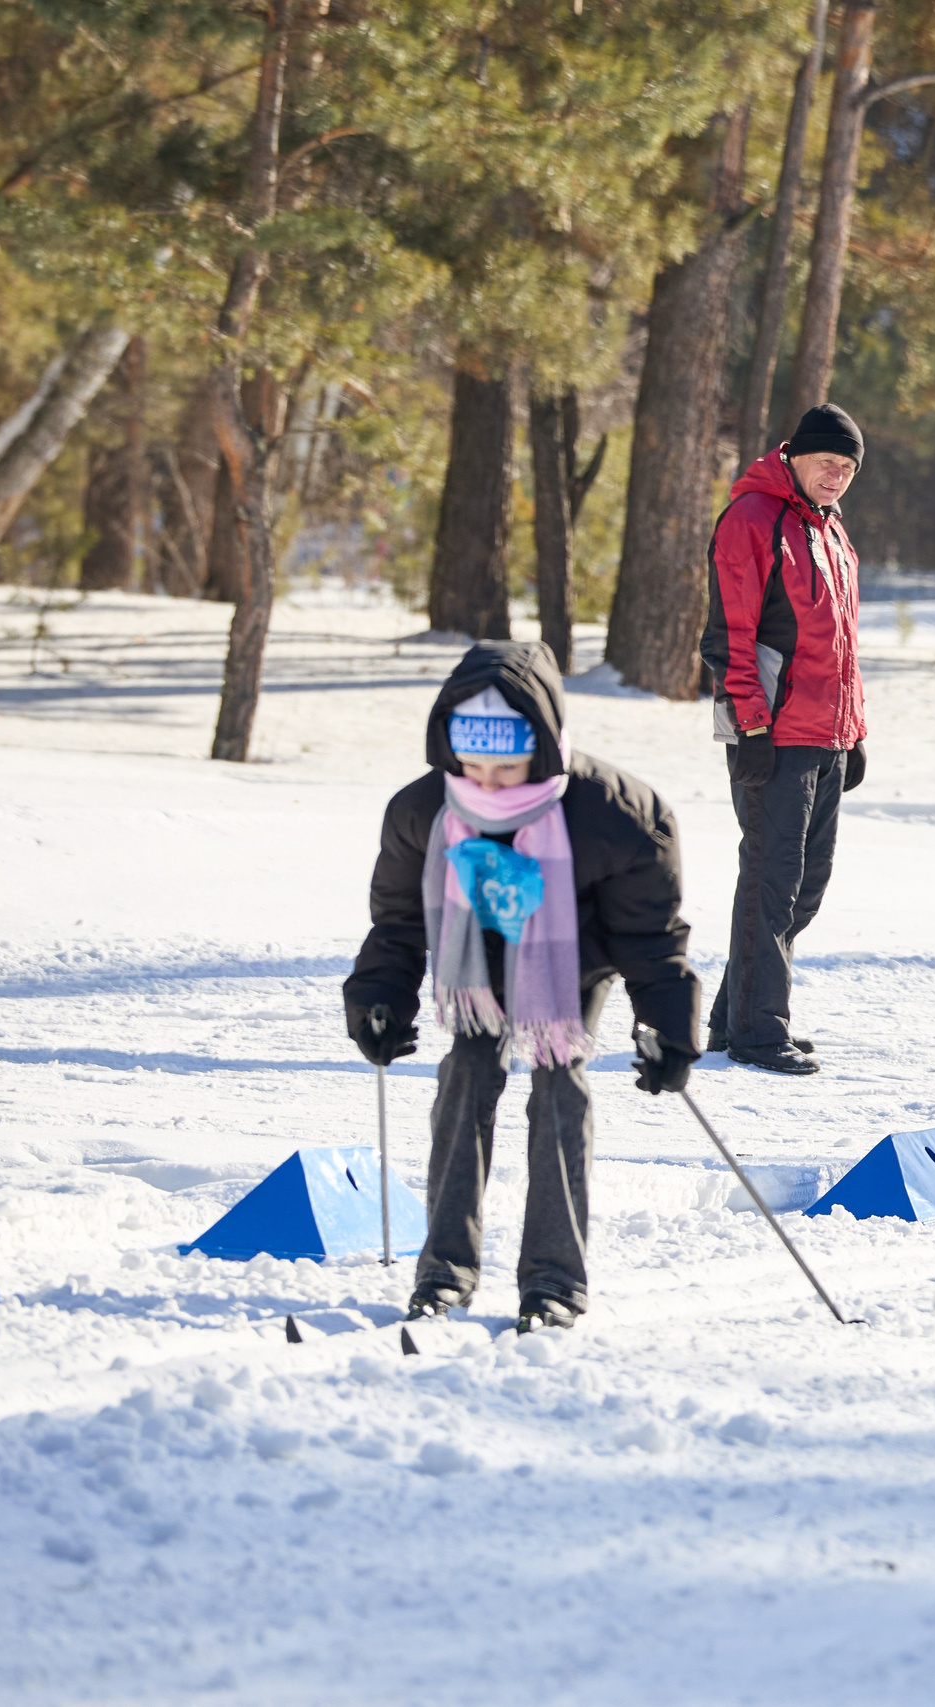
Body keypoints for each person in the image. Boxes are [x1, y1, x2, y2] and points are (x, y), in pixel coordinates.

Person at [343, 641, 700, 1332]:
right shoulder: (424, 812)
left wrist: (666, 1025)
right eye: (471, 766)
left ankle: (554, 1281)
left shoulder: (619, 817)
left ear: (544, 749)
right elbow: (396, 923)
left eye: (507, 767)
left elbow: (650, 940)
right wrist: (379, 998)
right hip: (473, 963)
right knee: (466, 1076)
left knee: (558, 1081)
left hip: (570, 963)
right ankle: (444, 1272)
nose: (489, 784)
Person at [700, 403, 869, 1075]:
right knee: (771, 880)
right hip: (769, 731)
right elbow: (731, 639)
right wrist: (749, 727)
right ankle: (758, 1031)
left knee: (806, 885)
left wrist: (854, 731)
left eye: (849, 467)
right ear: (794, 455)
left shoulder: (830, 530)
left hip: (825, 734)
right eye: (827, 461)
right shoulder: (752, 520)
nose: (836, 475)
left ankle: (731, 1016)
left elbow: (844, 643)